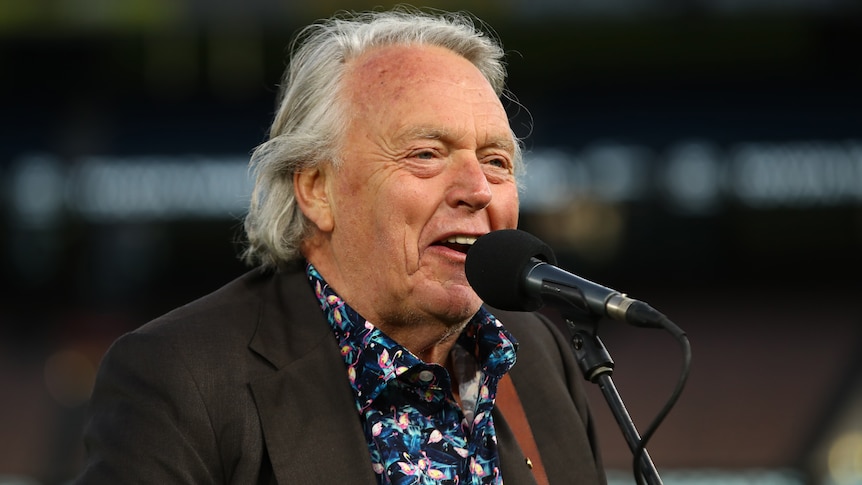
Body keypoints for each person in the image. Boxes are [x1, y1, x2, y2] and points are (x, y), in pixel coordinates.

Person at [74, 6, 606, 484]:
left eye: (496, 161)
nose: (476, 190)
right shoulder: (181, 376)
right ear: (316, 190)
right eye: (425, 154)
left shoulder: (537, 354)